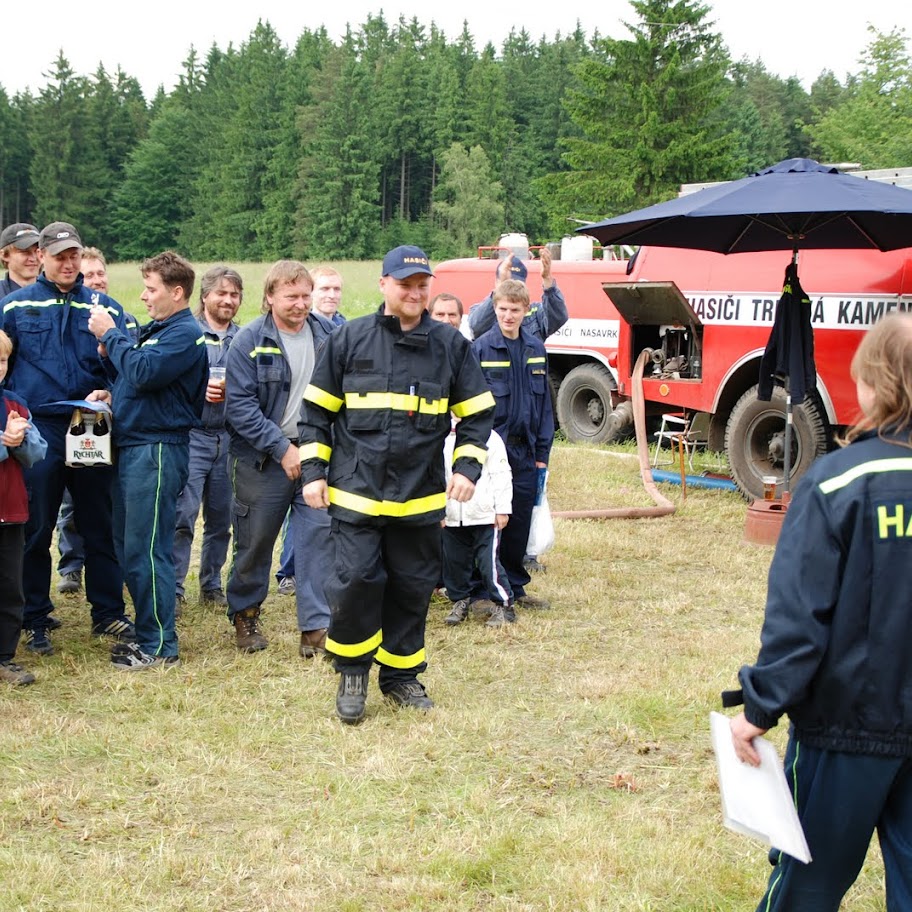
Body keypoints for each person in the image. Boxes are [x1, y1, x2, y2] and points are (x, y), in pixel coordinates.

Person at [729, 310, 912, 912]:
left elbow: (799, 618)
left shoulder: (835, 483)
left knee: (806, 884)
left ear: (874, 383)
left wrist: (760, 706)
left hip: (845, 728)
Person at [300, 244, 495, 725]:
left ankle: (401, 675)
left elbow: (477, 414)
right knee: (356, 584)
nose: (414, 292)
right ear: (384, 285)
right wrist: (312, 473)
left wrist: (467, 468)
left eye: (421, 285)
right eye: (404, 284)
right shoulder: (348, 339)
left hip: (419, 498)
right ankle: (352, 672)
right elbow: (316, 414)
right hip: (356, 494)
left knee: (412, 587)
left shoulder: (451, 347)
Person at [0, 221, 133, 656]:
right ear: (41, 256)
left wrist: (112, 387)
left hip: (91, 424)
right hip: (40, 428)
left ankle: (108, 613)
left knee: (98, 521)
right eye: (59, 256)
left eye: (74, 255)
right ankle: (35, 616)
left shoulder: (104, 307)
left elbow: (128, 363)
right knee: (36, 527)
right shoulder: (15, 307)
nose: (69, 263)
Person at [87, 250, 208, 669]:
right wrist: (112, 394)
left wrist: (112, 334)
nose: (143, 296)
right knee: (130, 545)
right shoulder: (162, 329)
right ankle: (147, 635)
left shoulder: (184, 333)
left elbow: (142, 372)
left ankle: (158, 647)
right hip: (135, 447)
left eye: (151, 288)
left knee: (147, 549)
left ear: (177, 292)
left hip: (156, 452)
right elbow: (139, 382)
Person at [224, 260, 333, 657]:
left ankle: (315, 628)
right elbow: (239, 407)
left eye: (306, 296)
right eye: (291, 296)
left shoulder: (329, 335)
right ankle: (246, 613)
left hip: (316, 455)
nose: (301, 304)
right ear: (270, 297)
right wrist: (281, 447)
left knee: (317, 538)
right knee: (255, 541)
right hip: (262, 460)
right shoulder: (249, 341)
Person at [56, 246, 138, 597]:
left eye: (100, 273)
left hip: (114, 418)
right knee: (72, 500)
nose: (97, 280)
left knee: (106, 498)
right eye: (89, 275)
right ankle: (72, 564)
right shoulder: (73, 316)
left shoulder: (123, 317)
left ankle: (109, 569)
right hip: (78, 416)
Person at [473, 279, 554, 613]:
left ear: (526, 311)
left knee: (519, 519)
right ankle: (482, 590)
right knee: (488, 522)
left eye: (515, 310)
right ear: (495, 309)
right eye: (503, 309)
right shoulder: (480, 349)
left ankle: (516, 587)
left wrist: (542, 455)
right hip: (492, 453)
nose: (508, 315)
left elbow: (545, 407)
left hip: (524, 451)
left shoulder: (536, 349)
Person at [172, 266, 243, 615]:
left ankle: (211, 584)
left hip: (229, 438)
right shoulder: (188, 334)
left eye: (234, 295)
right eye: (221, 293)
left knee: (222, 518)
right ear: (205, 297)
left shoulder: (245, 339)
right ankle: (173, 586)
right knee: (183, 514)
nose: (228, 300)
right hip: (193, 435)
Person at [273, 265, 344, 596]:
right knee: (269, 526)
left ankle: (314, 607)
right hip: (276, 445)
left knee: (316, 517)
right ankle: (285, 572)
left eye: (335, 290)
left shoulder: (338, 334)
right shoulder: (266, 335)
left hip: (321, 440)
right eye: (324, 289)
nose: (330, 295)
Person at [0, 329, 47, 685]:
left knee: (9, 586)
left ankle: (5, 656)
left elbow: (36, 454)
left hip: (10, 510)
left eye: (2, 361)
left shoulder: (13, 403)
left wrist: (22, 439)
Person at [442, 423, 514, 627]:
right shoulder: (441, 437)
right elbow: (438, 477)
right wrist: (439, 511)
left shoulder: (489, 437)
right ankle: (460, 600)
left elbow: (501, 474)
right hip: (452, 515)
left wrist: (502, 509)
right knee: (454, 563)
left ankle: (504, 605)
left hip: (484, 515)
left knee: (487, 563)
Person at [466, 247, 567, 342]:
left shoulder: (535, 313)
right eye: (507, 284)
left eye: (516, 283)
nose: (511, 289)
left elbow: (558, 318)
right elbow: (476, 327)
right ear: (496, 282)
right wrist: (498, 294)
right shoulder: (481, 311)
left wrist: (548, 281)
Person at [0, 223, 40, 298]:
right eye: (25, 252)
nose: (33, 258)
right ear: (4, 255)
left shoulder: (57, 293)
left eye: (37, 251)